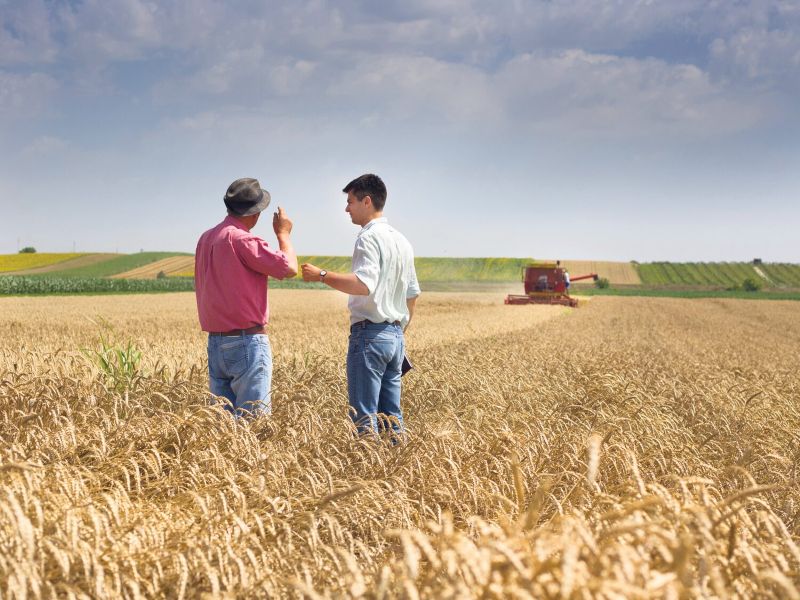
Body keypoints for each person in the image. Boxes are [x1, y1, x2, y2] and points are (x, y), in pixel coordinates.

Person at [301, 173, 420, 437]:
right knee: (392, 418)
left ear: (366, 201)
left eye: (350, 201)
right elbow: (412, 295)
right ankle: (396, 472)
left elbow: (363, 284)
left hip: (369, 335)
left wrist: (321, 275)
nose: (346, 208)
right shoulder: (403, 241)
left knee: (364, 419)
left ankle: (366, 474)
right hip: (395, 337)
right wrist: (398, 332)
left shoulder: (367, 238)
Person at [195, 177, 298, 417]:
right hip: (246, 342)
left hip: (215, 343)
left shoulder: (205, 238)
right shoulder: (243, 240)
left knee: (222, 426)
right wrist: (284, 234)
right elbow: (289, 268)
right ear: (256, 213)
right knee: (254, 426)